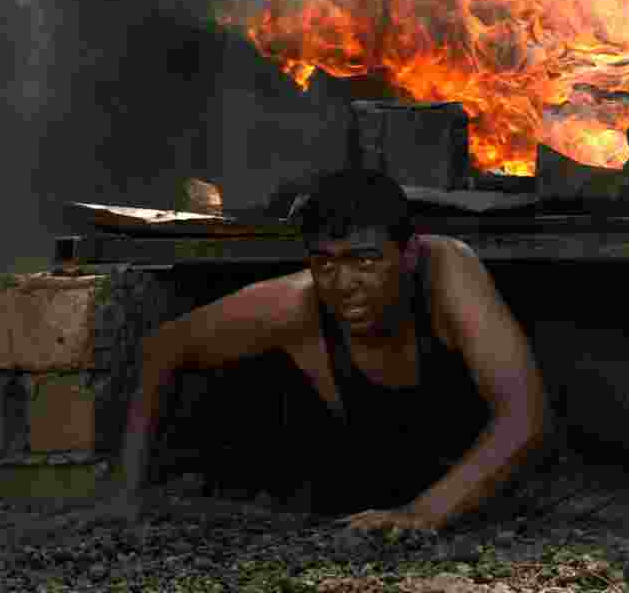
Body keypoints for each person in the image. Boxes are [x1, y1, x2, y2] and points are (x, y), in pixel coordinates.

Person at [107, 167, 554, 534]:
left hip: (474, 496)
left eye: (365, 261)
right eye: (326, 263)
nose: (344, 285)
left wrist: (422, 515)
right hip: (350, 483)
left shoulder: (448, 272)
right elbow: (161, 349)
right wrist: (127, 497)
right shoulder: (295, 305)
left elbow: (526, 418)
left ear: (409, 253)